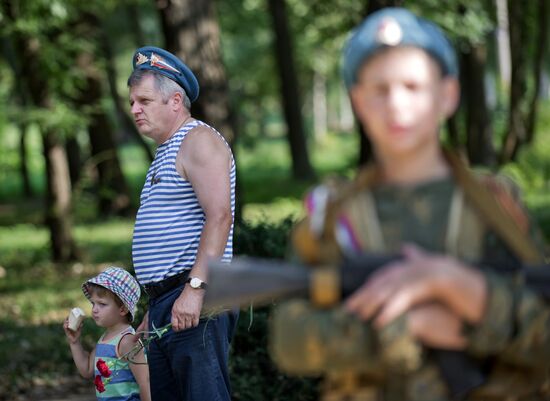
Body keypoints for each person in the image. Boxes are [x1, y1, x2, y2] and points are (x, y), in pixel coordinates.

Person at [282, 7, 550, 401]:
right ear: (357, 101)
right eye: (379, 89)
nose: (395, 104)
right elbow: (291, 341)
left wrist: (466, 292)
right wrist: (407, 326)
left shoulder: (496, 208)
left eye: (413, 86)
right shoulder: (334, 217)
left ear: (448, 94)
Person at [127, 46, 237, 401]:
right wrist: (153, 309)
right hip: (169, 300)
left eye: (143, 100)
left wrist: (195, 289)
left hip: (195, 296)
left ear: (175, 101)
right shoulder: (168, 149)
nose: (134, 110)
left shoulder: (198, 140)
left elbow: (219, 217)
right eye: (132, 102)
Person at [63, 267, 150, 401]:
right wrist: (74, 342)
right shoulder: (104, 339)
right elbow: (86, 370)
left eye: (102, 304)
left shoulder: (127, 341)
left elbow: (145, 383)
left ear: (123, 309)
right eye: (93, 303)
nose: (94, 310)